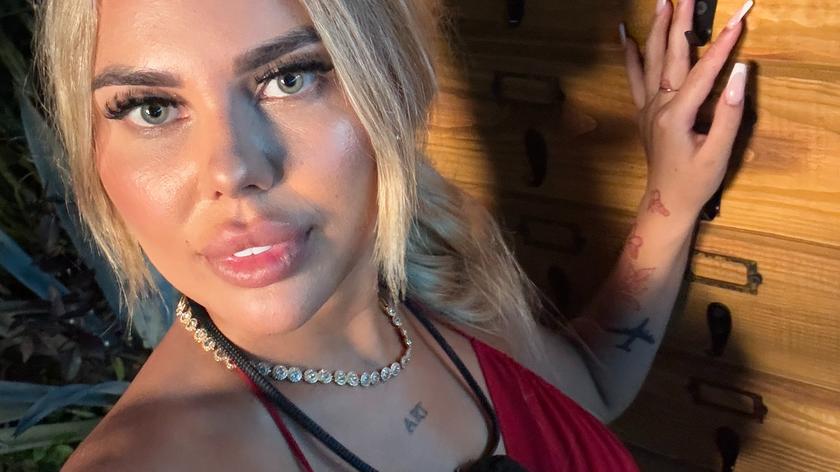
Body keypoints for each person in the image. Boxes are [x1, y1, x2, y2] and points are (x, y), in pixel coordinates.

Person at [34, 0, 752, 470]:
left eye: (290, 78)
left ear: (393, 88)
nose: (233, 171)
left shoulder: (435, 285)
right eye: (151, 108)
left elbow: (589, 389)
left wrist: (671, 199)